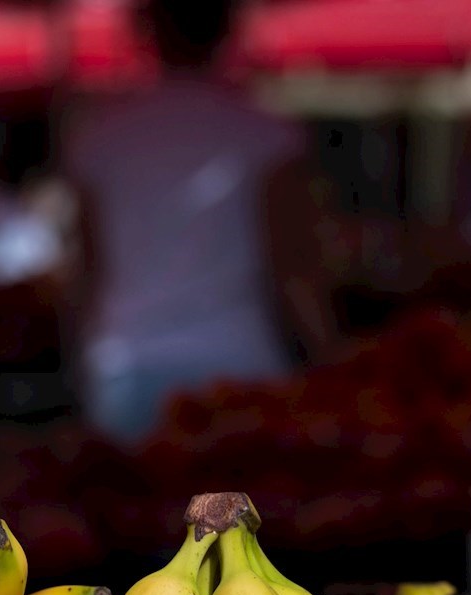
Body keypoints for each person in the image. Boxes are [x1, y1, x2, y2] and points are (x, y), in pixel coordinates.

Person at [60, 0, 338, 444]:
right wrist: (329, 360)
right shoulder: (265, 131)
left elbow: (86, 272)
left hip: (129, 365)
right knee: (237, 512)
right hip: (239, 362)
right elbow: (294, 268)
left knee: (132, 511)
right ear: (230, 29)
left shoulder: (101, 134)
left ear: (143, 31)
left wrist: (73, 366)